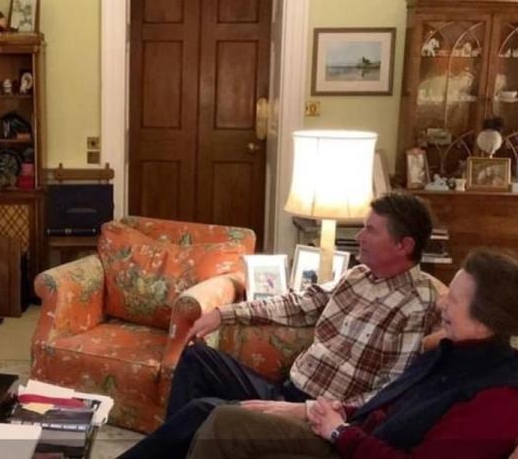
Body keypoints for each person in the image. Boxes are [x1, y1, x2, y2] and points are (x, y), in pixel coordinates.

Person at [118, 193, 438, 459]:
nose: (359, 237)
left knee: (206, 410)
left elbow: (387, 395)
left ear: (403, 246)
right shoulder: (357, 277)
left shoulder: (416, 303)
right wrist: (224, 314)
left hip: (318, 414)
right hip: (289, 389)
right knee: (198, 358)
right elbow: (298, 304)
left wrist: (309, 410)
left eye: (371, 230)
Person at [187, 248, 518, 459]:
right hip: (352, 437)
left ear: (487, 319)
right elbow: (397, 406)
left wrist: (342, 432)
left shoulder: (499, 397)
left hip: (353, 448)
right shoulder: (451, 351)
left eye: (455, 300)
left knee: (223, 422)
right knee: (224, 419)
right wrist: (345, 412)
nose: (443, 302)